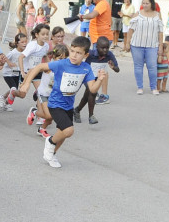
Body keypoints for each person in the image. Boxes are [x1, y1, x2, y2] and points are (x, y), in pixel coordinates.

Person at [20, 36, 106, 168]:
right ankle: (50, 141)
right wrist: (26, 84)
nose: (74, 55)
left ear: (85, 55)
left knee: (63, 133)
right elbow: (38, 67)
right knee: (68, 130)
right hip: (55, 103)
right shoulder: (61, 64)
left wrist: (100, 79)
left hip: (68, 105)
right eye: (72, 51)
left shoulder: (86, 68)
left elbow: (93, 89)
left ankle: (52, 154)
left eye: (78, 53)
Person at [73, 36, 119, 125]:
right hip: (86, 77)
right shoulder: (91, 54)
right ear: (97, 47)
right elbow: (79, 56)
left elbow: (118, 69)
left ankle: (77, 110)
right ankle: (91, 116)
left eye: (107, 48)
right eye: (102, 48)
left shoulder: (109, 55)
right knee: (92, 92)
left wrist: (113, 67)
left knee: (88, 95)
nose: (105, 50)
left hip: (97, 79)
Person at [79, 0, 113, 103]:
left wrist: (82, 16)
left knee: (101, 67)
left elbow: (92, 15)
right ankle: (96, 91)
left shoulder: (103, 3)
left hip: (102, 41)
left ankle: (104, 95)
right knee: (97, 67)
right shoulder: (99, 4)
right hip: (98, 40)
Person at [124, 0, 164, 95]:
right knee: (138, 66)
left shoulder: (157, 15)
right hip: (137, 45)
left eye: (147, 3)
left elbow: (160, 32)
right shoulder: (138, 14)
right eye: (143, 3)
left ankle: (153, 87)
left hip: (152, 46)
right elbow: (131, 30)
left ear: (152, 4)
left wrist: (160, 47)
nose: (145, 5)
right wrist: (127, 43)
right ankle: (140, 87)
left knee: (152, 66)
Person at [33, 44, 70, 138]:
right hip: (43, 94)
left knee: (51, 118)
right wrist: (25, 81)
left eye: (65, 59)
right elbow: (35, 70)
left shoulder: (64, 68)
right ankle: (34, 111)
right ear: (54, 57)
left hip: (54, 95)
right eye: (60, 58)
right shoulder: (49, 67)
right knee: (48, 116)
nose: (62, 61)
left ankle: (42, 129)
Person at [0, 33, 27, 112]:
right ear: (17, 43)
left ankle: (3, 98)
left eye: (25, 42)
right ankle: (6, 102)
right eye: (22, 42)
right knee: (13, 89)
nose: (25, 44)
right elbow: (5, 58)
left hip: (17, 73)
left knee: (14, 89)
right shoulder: (13, 53)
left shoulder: (26, 52)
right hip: (8, 74)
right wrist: (3, 65)